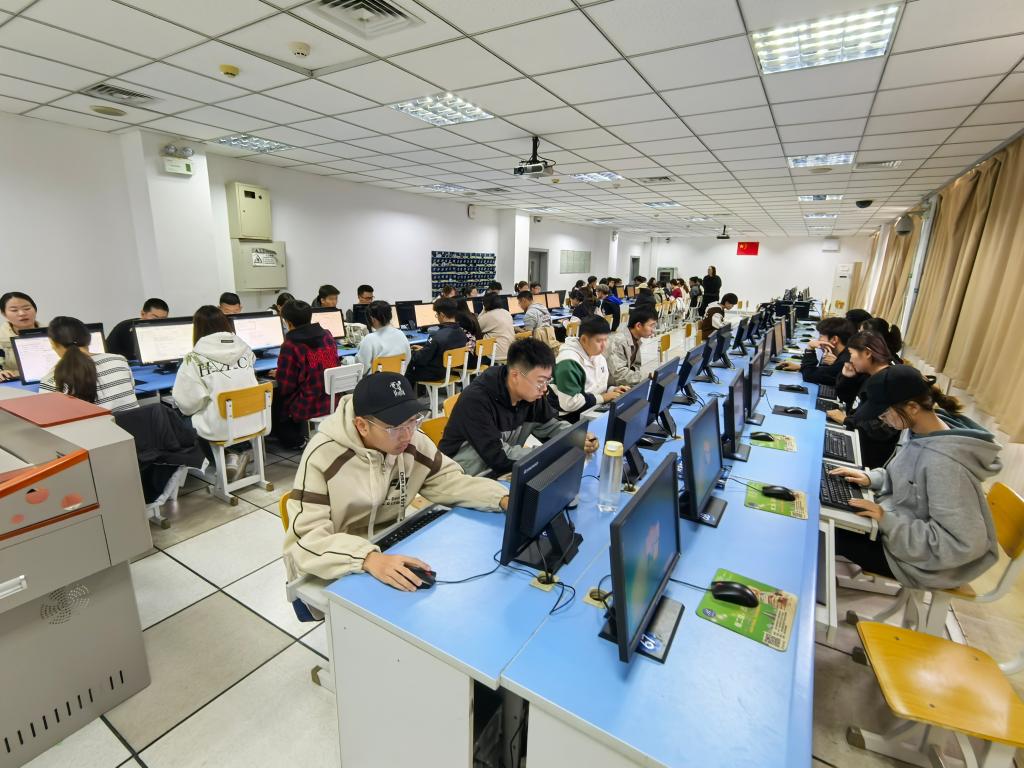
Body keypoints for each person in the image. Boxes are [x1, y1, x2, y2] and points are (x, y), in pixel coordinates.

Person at [283, 372, 510, 591]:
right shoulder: (322, 456)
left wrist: (502, 498)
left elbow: (449, 481)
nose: (407, 435)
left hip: (389, 547)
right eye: (395, 428)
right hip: (336, 564)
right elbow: (306, 539)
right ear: (362, 425)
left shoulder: (411, 441)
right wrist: (367, 558)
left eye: (413, 421)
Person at [828, 365, 1000, 589]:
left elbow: (959, 544)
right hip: (900, 530)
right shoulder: (921, 433)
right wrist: (871, 478)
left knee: (827, 532)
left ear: (912, 407)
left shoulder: (947, 465)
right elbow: (905, 479)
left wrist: (887, 520)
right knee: (833, 516)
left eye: (885, 413)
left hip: (922, 564)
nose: (882, 419)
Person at [439, 339, 599, 476]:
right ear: (515, 375)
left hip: (500, 473)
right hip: (464, 476)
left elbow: (550, 426)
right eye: (540, 381)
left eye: (547, 381)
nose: (545, 389)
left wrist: (577, 437)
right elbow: (500, 458)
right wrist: (556, 451)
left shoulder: (531, 394)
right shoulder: (477, 400)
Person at [172, 306, 257, 479]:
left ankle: (226, 459)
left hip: (222, 426)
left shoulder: (193, 359)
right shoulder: (246, 350)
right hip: (254, 419)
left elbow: (188, 404)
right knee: (215, 410)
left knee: (180, 415)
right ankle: (235, 453)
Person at [272, 300, 340, 450]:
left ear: (288, 322)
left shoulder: (290, 345)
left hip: (308, 405)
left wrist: (280, 373)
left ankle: (294, 441)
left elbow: (286, 386)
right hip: (332, 400)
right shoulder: (327, 335)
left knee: (275, 396)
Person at [826, 332, 900, 468]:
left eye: (852, 354)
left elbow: (884, 429)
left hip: (864, 456)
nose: (850, 359)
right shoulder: (870, 374)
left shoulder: (888, 383)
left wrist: (846, 420)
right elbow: (848, 399)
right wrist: (848, 378)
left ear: (867, 353)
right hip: (854, 439)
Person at [39, 316, 138, 412]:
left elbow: (49, 416)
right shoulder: (119, 360)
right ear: (88, 339)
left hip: (97, 424)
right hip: (131, 423)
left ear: (53, 344)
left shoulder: (51, 380)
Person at [551, 316, 628, 422]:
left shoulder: (597, 355)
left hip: (592, 407)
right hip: (570, 416)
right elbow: (569, 404)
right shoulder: (568, 362)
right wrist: (604, 397)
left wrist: (612, 391)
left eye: (606, 340)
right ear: (584, 339)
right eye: (599, 341)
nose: (604, 346)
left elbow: (595, 388)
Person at [404, 298, 467, 386]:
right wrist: (424, 349)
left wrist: (411, 352)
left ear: (442, 315)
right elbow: (441, 350)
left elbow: (420, 359)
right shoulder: (461, 332)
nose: (437, 317)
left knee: (408, 366)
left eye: (437, 315)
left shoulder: (436, 335)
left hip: (434, 374)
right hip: (448, 371)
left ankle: (409, 394)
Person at [777, 317, 853, 382]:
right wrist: (801, 367)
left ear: (834, 339)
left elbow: (809, 375)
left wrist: (810, 348)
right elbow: (825, 372)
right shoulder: (847, 354)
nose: (818, 340)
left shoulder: (843, 363)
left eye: (821, 336)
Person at [355, 300, 411, 376]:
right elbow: (407, 359)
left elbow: (361, 369)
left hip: (375, 382)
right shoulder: (401, 334)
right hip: (398, 379)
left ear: (372, 319)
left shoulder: (369, 339)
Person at [604, 307, 657, 386]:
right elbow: (619, 374)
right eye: (651, 326)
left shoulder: (636, 340)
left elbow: (636, 366)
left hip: (623, 385)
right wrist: (647, 376)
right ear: (638, 326)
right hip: (611, 388)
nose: (653, 330)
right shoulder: (618, 341)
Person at [105, 297, 169, 360]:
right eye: (155, 318)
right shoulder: (124, 328)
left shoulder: (167, 330)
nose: (158, 322)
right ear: (142, 314)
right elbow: (106, 353)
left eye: (163, 319)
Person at [0, 291, 39, 380]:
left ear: (35, 309)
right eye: (14, 310)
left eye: (27, 308)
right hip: (13, 384)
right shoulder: (1, 338)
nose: (22, 313)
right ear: (4, 313)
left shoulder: (54, 333)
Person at [477, 291, 515, 362]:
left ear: (485, 304)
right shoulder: (506, 312)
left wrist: (484, 309)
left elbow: (476, 328)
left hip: (494, 355)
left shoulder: (488, 316)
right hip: (510, 352)